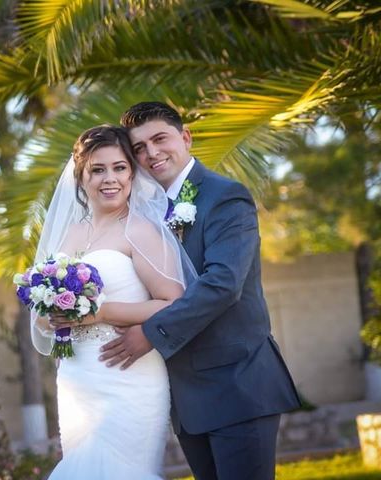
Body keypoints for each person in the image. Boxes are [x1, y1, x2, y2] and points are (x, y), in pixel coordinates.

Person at [99, 102, 301, 480]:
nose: (151, 153)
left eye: (160, 139)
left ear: (185, 137)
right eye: (139, 148)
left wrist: (150, 334)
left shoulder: (225, 197)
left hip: (237, 384)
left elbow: (223, 284)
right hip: (187, 399)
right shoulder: (144, 214)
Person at [30, 125, 196, 479]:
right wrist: (54, 314)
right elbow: (42, 315)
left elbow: (173, 303)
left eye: (120, 168)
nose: (111, 179)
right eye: (98, 169)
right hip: (77, 379)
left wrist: (96, 313)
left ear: (132, 174)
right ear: (80, 177)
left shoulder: (140, 230)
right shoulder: (69, 233)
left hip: (129, 375)